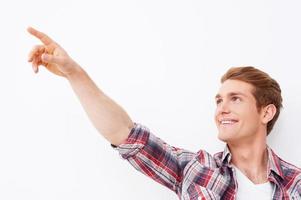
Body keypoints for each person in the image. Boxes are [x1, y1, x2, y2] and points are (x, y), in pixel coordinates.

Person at [27, 27, 301, 200]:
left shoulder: (296, 182)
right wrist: (75, 74)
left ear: (266, 112)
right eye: (218, 101)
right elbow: (126, 135)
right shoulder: (195, 169)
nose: (222, 109)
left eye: (235, 99)